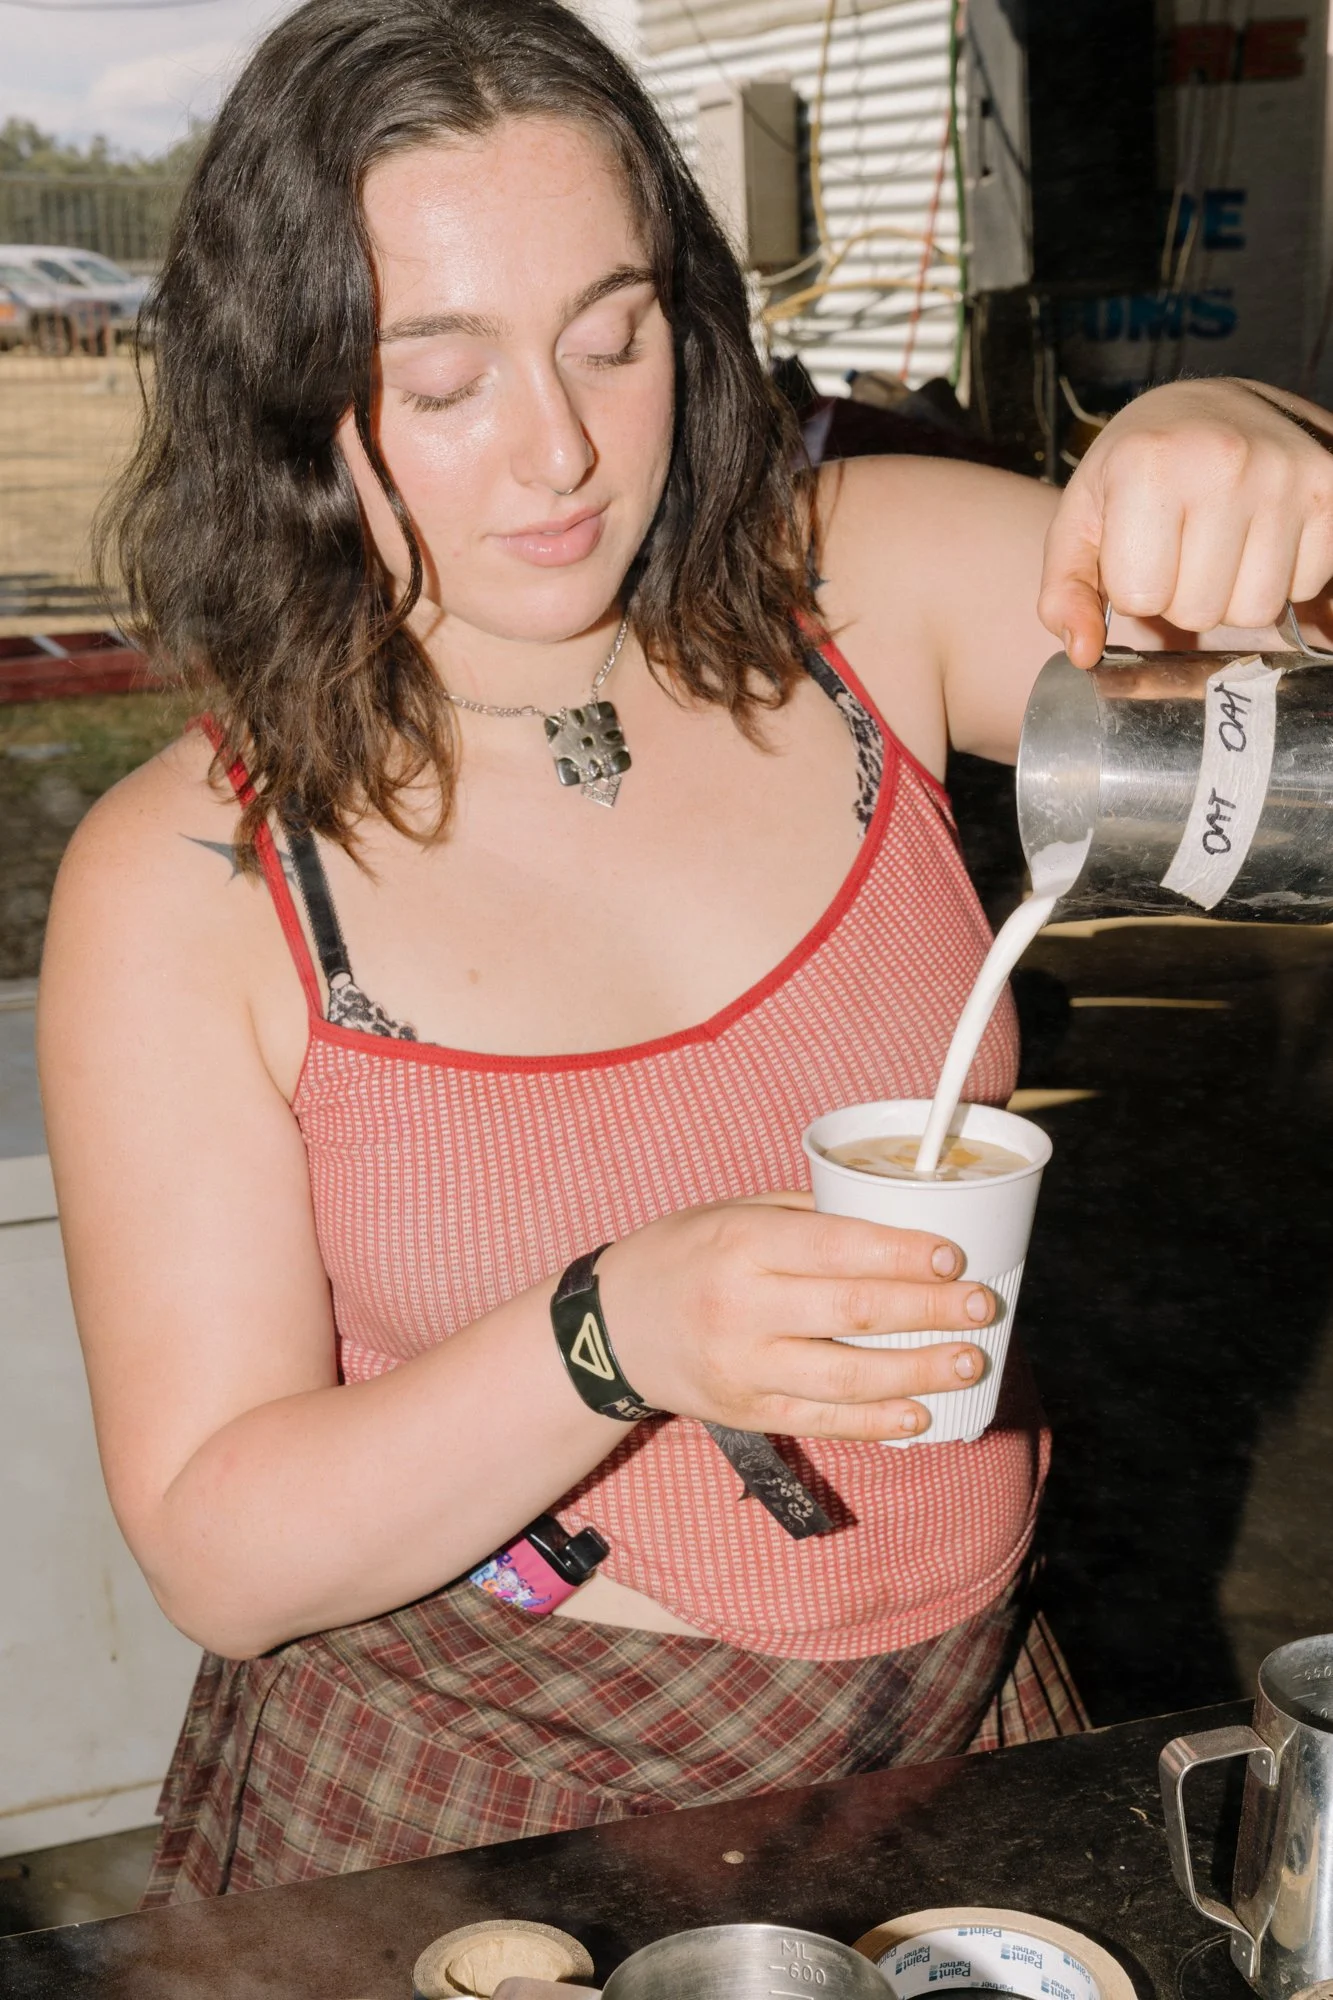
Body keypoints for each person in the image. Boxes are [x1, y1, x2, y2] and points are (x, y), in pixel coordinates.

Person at [38, 0, 1333, 1903]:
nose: (559, 451)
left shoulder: (854, 597)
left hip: (965, 1724)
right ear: (287, 387)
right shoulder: (194, 877)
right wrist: (610, 1333)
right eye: (444, 374)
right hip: (484, 1804)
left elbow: (1257, 664)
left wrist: (1248, 441)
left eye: (611, 331)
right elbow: (218, 1542)